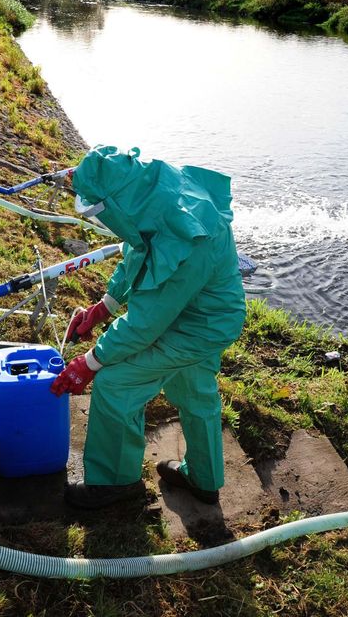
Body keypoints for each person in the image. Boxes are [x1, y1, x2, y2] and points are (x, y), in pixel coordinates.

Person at [50, 146, 247, 509]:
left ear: (115, 203)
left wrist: (90, 363)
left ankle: (114, 487)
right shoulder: (152, 193)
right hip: (210, 313)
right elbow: (139, 250)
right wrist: (103, 307)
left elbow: (144, 326)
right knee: (195, 390)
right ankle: (204, 481)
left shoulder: (187, 237)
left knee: (115, 382)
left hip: (197, 326)